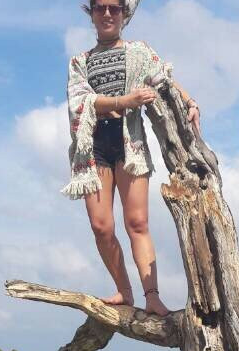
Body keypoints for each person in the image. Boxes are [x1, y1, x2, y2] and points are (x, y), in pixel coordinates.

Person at [64, 0, 201, 317]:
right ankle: (124, 291)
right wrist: (126, 100)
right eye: (100, 8)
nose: (107, 13)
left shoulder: (139, 51)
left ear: (125, 14)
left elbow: (163, 78)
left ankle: (151, 296)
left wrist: (190, 101)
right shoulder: (80, 62)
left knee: (137, 223)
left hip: (130, 141)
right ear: (92, 13)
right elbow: (80, 102)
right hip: (94, 145)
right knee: (101, 226)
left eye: (114, 8)